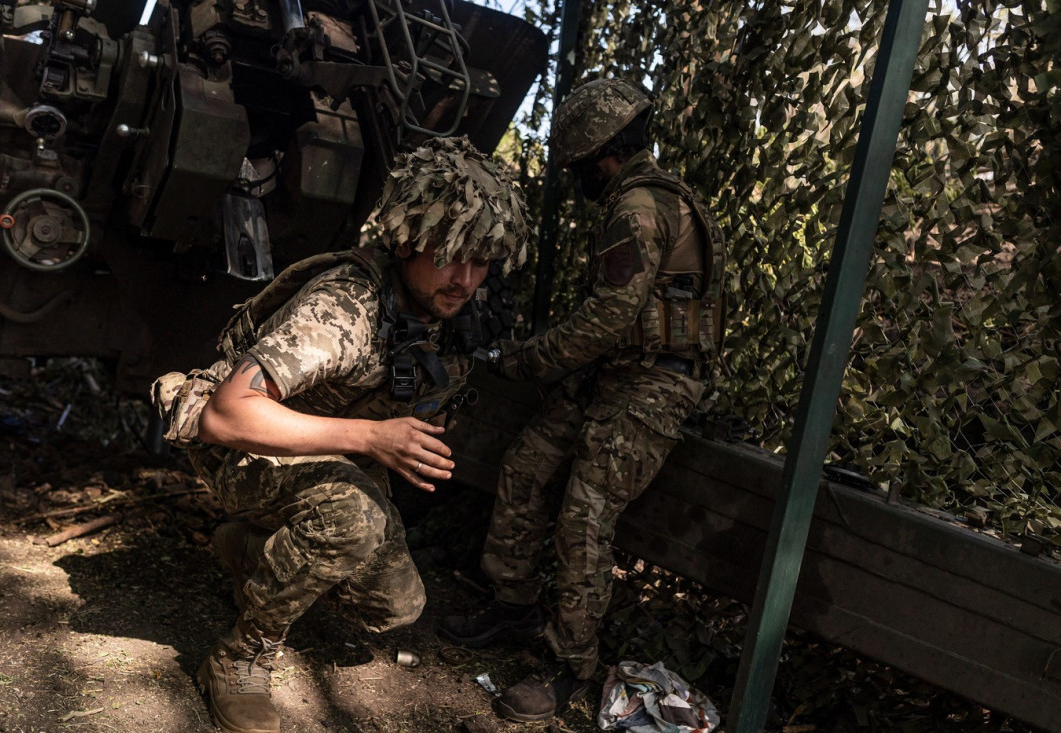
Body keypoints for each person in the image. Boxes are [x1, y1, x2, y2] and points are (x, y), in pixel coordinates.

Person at [151, 136, 530, 733]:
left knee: (396, 607)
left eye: (481, 261)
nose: (465, 278)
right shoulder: (346, 306)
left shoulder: (453, 308)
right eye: (451, 255)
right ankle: (239, 659)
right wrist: (373, 439)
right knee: (351, 519)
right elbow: (228, 414)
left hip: (327, 447)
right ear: (408, 240)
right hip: (240, 449)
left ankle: (249, 550)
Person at [438, 78, 726, 722]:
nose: (574, 182)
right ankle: (513, 604)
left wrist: (524, 362)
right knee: (527, 465)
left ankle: (570, 663)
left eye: (576, 169)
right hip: (614, 372)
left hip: (653, 383)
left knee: (584, 517)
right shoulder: (643, 200)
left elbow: (607, 320)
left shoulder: (639, 208)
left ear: (602, 156)